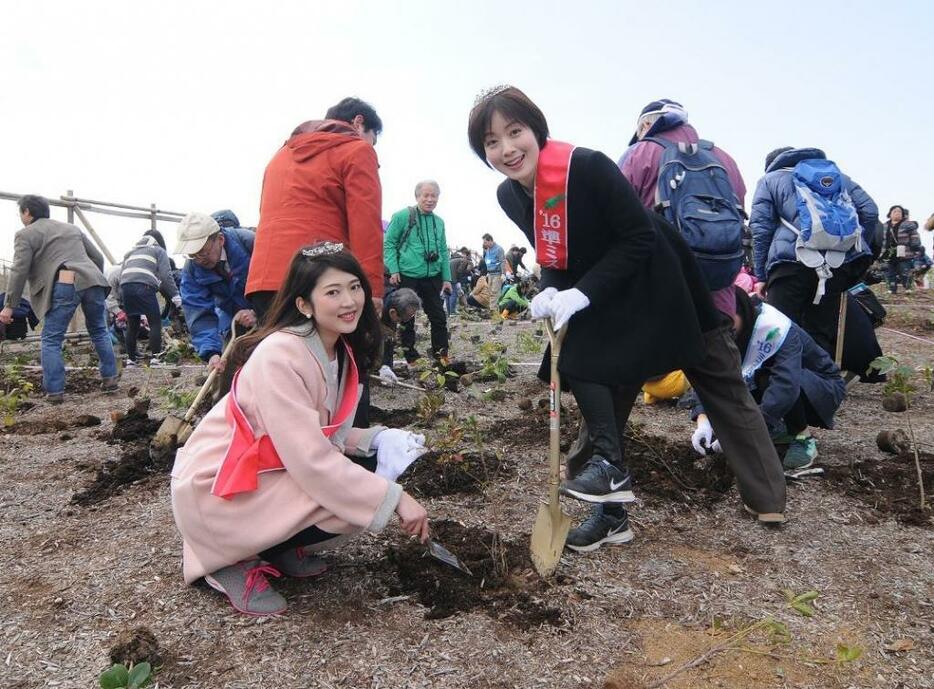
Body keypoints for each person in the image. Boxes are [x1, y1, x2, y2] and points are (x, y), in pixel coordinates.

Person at [468, 86, 786, 552]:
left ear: (537, 130)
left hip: (663, 283)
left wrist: (581, 291)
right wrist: (551, 290)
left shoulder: (590, 166)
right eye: (492, 142)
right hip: (607, 292)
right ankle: (610, 505)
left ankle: (768, 498)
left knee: (719, 378)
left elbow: (640, 238)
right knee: (584, 366)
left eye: (515, 132)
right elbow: (552, 251)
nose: (507, 149)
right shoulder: (509, 194)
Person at [171, 243, 430, 616]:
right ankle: (223, 559)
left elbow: (326, 434)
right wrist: (396, 497)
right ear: (304, 304)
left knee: (366, 473)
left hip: (269, 469)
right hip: (216, 486)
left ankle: (273, 543)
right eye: (332, 292)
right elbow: (311, 458)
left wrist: (381, 438)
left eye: (354, 287)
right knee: (355, 492)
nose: (349, 301)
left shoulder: (337, 350)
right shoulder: (279, 355)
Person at [247, 97, 385, 319]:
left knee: (279, 350)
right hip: (318, 277)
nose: (371, 147)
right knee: (321, 353)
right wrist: (371, 288)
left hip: (264, 281)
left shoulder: (281, 155)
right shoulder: (356, 150)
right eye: (373, 139)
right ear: (358, 123)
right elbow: (366, 225)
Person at [690, 287, 845, 471]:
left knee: (767, 376)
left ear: (740, 311)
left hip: (818, 387)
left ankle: (802, 437)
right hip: (770, 383)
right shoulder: (727, 330)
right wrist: (704, 421)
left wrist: (743, 434)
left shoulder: (774, 326)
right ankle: (776, 429)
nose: (723, 329)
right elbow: (709, 376)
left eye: (727, 323)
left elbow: (785, 386)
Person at [619, 98, 746, 318]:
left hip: (656, 292)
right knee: (716, 350)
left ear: (646, 126)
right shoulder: (724, 158)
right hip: (718, 293)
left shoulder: (639, 153)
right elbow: (739, 211)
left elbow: (613, 218)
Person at [749, 146, 878, 355]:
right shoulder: (840, 178)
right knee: (821, 331)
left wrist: (761, 275)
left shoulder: (770, 179)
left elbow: (761, 228)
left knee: (778, 328)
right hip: (837, 265)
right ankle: (818, 383)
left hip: (789, 263)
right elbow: (870, 212)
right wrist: (853, 248)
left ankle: (783, 384)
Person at [0, 195, 118, 403]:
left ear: (27, 212)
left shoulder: (25, 234)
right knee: (99, 330)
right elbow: (97, 258)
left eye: (21, 212)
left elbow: (19, 271)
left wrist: (9, 307)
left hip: (65, 280)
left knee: (51, 338)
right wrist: (89, 280)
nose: (21, 217)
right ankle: (110, 379)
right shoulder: (71, 229)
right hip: (94, 280)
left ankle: (55, 391)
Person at [176, 212, 256, 373]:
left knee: (269, 360)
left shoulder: (250, 242)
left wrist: (259, 312)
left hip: (269, 311)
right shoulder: (192, 269)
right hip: (233, 316)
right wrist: (211, 352)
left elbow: (279, 284)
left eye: (203, 252)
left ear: (220, 239)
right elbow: (198, 312)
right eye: (193, 255)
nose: (200, 259)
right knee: (226, 368)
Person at [383, 180, 452, 363]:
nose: (430, 199)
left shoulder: (439, 222)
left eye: (434, 196)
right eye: (426, 195)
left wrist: (447, 278)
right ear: (417, 197)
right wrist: (394, 269)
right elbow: (388, 244)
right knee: (407, 318)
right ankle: (410, 356)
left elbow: (444, 250)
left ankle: (442, 355)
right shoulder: (402, 216)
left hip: (432, 277)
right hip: (408, 276)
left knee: (438, 317)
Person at [119, 229, 182, 366]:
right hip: (144, 286)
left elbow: (122, 274)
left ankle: (131, 360)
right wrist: (176, 295)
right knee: (155, 322)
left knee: (133, 324)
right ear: (159, 241)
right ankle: (155, 359)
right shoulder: (158, 251)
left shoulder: (130, 253)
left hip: (126, 287)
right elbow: (166, 275)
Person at [376, 287, 422, 386]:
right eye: (405, 319)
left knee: (389, 338)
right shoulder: (373, 307)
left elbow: (389, 342)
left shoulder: (393, 301)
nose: (406, 322)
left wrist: (386, 367)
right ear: (393, 313)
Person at [881, 205, 921, 294]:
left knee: (904, 270)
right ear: (890, 214)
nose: (897, 213)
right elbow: (881, 239)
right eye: (894, 211)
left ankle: (908, 288)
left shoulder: (908, 225)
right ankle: (891, 289)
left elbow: (914, 235)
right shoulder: (884, 226)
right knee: (889, 272)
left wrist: (915, 245)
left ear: (902, 214)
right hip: (888, 252)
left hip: (903, 251)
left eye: (899, 212)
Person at [481, 233, 508, 309]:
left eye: (485, 242)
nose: (484, 244)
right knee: (490, 293)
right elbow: (488, 261)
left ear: (490, 241)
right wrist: (488, 272)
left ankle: (493, 312)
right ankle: (494, 311)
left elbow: (502, 261)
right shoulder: (487, 250)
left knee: (494, 293)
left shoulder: (499, 249)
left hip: (497, 274)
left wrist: (503, 273)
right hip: (490, 274)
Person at [446, 248, 473, 315]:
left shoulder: (452, 259)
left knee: (447, 295)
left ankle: (449, 312)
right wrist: (459, 281)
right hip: (453, 278)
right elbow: (460, 271)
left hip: (446, 277)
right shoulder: (464, 260)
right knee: (453, 295)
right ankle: (452, 312)